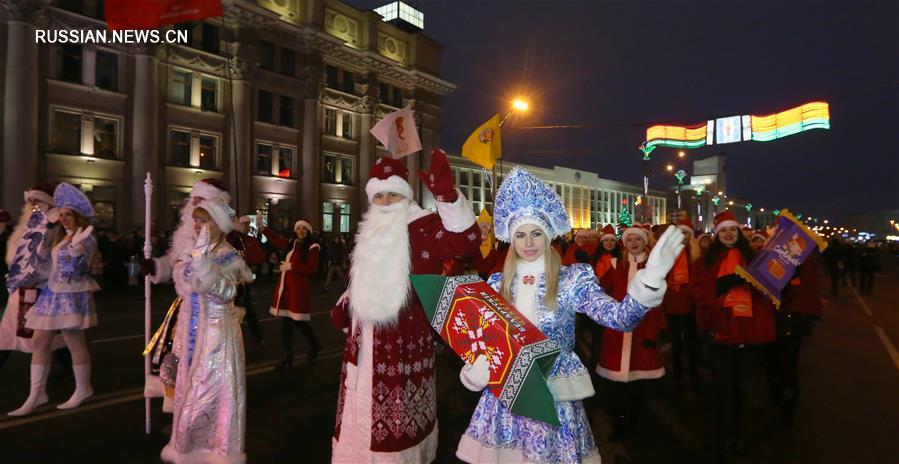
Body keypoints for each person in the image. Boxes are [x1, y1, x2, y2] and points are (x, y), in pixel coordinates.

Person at [455, 167, 683, 464]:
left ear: (548, 235)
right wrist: (475, 366)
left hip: (553, 395)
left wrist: (648, 282)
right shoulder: (497, 284)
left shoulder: (572, 279)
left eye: (536, 233)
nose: (528, 243)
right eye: (520, 235)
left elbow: (619, 318)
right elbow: (483, 340)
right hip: (505, 395)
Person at [329, 150, 481, 463]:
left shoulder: (422, 226)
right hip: (362, 344)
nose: (384, 203)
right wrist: (346, 305)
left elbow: (465, 241)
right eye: (379, 196)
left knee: (394, 433)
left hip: (402, 344)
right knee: (358, 422)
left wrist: (447, 197)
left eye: (393, 195)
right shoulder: (370, 229)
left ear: (405, 195)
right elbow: (360, 279)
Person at [161, 198, 253, 463]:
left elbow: (227, 292)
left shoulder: (228, 255)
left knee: (209, 390)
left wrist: (204, 268)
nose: (198, 224)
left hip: (217, 333)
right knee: (188, 384)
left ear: (219, 225)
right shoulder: (200, 249)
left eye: (205, 220)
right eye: (197, 219)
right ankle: (189, 448)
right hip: (193, 327)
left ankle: (215, 450)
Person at [141, 178, 231, 412]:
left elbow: (228, 281)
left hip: (211, 316)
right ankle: (180, 417)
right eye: (194, 200)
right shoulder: (184, 235)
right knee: (176, 363)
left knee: (206, 368)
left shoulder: (222, 241)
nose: (195, 206)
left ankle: (203, 416)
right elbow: (174, 263)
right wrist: (156, 267)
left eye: (202, 201)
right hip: (184, 313)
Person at [9, 183, 100, 416]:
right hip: (52, 293)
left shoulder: (86, 238)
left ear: (78, 216)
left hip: (70, 295)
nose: (65, 219)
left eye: (69, 215)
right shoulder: (62, 236)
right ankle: (36, 394)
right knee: (40, 342)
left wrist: (78, 252)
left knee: (74, 342)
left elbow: (77, 271)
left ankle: (83, 389)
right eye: (63, 215)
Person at [693, 211, 775, 461]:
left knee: (741, 388)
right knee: (722, 388)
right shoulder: (706, 260)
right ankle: (723, 435)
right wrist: (723, 284)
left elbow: (770, 288)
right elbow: (696, 291)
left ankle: (736, 433)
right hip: (720, 330)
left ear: (739, 233)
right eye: (723, 231)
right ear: (717, 235)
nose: (728, 234)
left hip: (748, 332)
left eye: (733, 230)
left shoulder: (754, 258)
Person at [595, 222, 667, 443]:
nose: (634, 243)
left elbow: (658, 305)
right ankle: (619, 425)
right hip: (617, 332)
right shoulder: (617, 265)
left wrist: (651, 335)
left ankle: (633, 426)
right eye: (629, 240)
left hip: (642, 331)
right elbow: (600, 289)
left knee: (638, 387)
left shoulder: (654, 268)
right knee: (616, 387)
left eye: (637, 239)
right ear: (624, 244)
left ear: (644, 242)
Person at [0, 186, 65, 373]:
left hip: (43, 290)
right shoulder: (25, 226)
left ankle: (65, 369)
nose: (32, 206)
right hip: (20, 288)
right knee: (12, 333)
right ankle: (64, 368)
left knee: (50, 334)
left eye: (37, 202)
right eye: (30, 202)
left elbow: (55, 257)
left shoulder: (53, 226)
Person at [763, 254, 823, 425]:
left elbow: (807, 290)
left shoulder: (804, 260)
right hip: (772, 317)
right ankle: (775, 397)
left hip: (791, 319)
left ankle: (788, 409)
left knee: (789, 366)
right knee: (772, 361)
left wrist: (791, 276)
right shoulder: (769, 254)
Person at [259, 217, 321, 367]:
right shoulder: (291, 243)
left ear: (308, 231)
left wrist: (292, 266)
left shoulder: (313, 247)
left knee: (298, 321)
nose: (301, 231)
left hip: (298, 289)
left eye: (304, 228)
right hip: (286, 287)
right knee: (286, 321)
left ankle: (314, 345)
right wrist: (262, 228)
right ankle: (287, 354)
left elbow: (312, 269)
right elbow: (276, 239)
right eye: (299, 228)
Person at [660, 219, 702, 388]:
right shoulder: (668, 252)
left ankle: (693, 375)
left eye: (686, 233)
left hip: (690, 304)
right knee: (676, 342)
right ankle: (677, 374)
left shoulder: (697, 254)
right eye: (680, 232)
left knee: (691, 343)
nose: (683, 236)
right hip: (672, 302)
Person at [227, 215, 265, 347]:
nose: (247, 226)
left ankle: (258, 337)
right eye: (245, 224)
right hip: (230, 280)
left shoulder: (249, 239)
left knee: (247, 309)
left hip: (242, 281)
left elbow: (258, 256)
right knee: (230, 310)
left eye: (249, 224)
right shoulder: (231, 238)